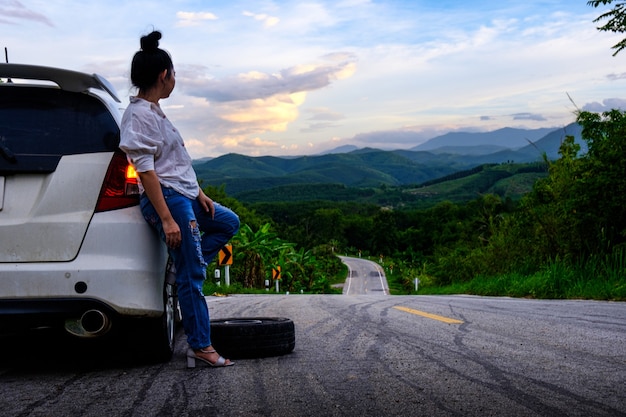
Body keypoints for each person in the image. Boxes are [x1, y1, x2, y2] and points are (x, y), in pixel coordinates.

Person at [120, 30, 240, 368]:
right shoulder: (139, 116)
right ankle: (201, 346)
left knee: (228, 222)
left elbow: (173, 163)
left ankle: (183, 263)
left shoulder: (155, 112)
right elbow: (146, 172)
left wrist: (199, 192)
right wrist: (169, 219)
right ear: (164, 75)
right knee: (193, 276)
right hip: (169, 201)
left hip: (185, 196)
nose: (175, 80)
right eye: (174, 74)